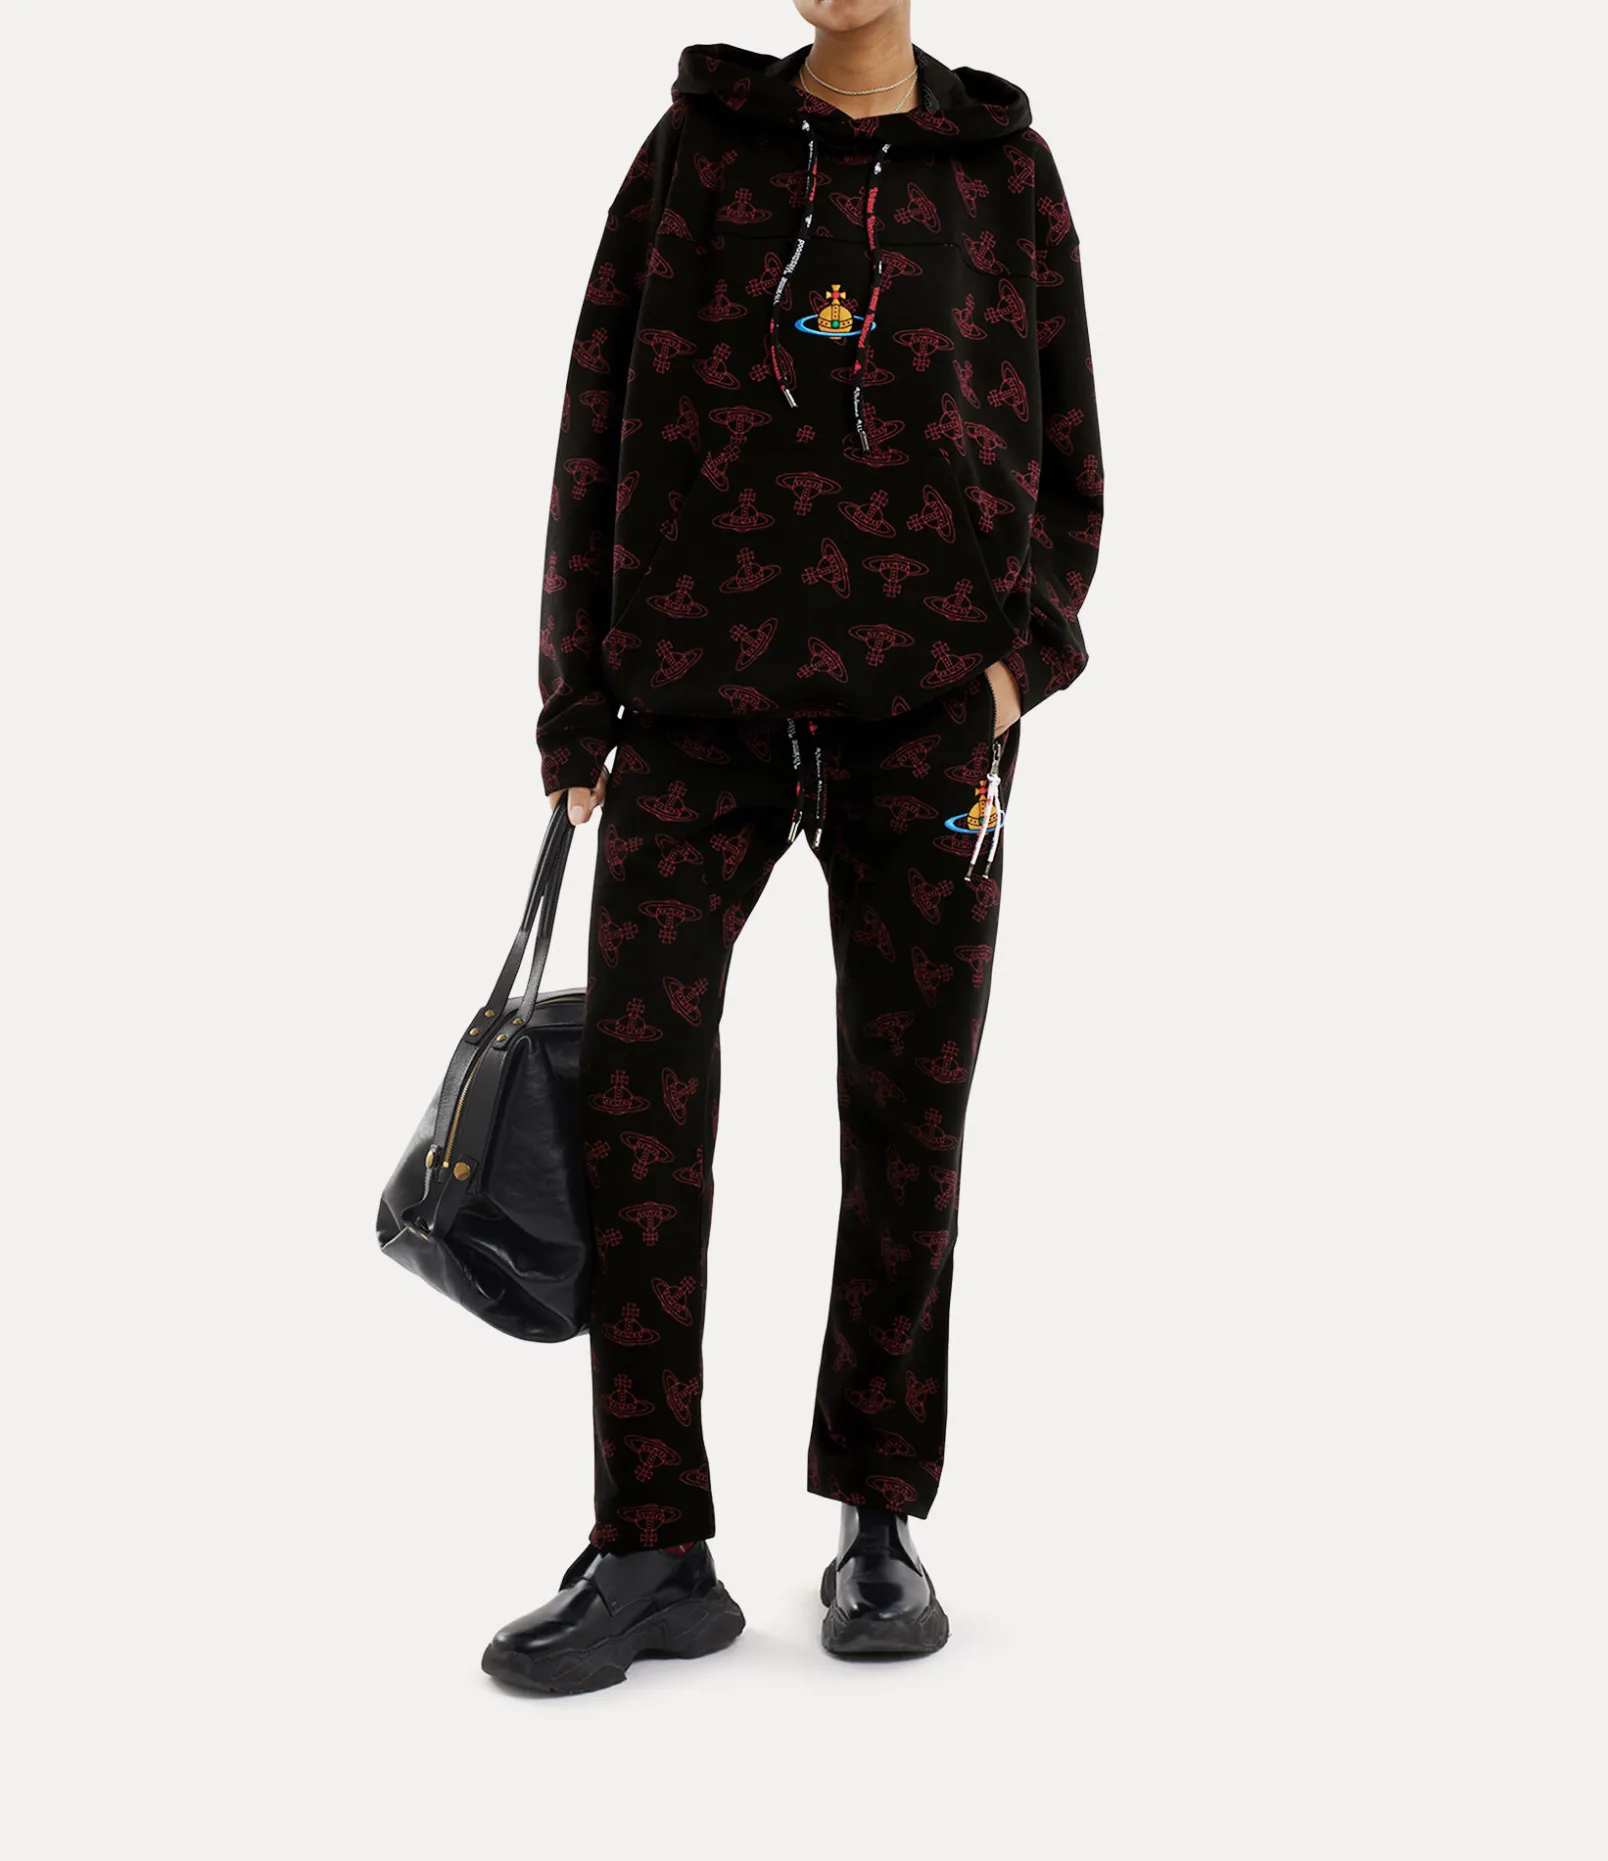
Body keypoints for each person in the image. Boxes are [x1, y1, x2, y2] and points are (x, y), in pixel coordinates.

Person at [483, 1, 1102, 1694]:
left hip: (929, 727)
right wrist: (575, 704)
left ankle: (880, 1519)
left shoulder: (1005, 175)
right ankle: (650, 1545)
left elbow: (1070, 459)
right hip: (695, 714)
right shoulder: (697, 152)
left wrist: (1015, 668)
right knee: (638, 1115)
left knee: (910, 1126)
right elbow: (596, 414)